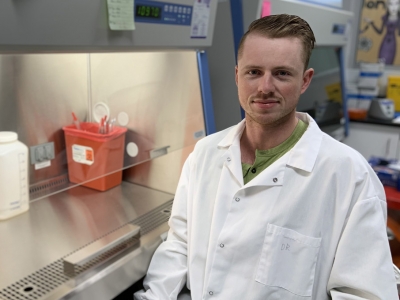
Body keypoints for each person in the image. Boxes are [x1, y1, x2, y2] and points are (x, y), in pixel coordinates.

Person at [134, 14, 398, 299]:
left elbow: (364, 294)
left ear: (305, 80)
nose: (264, 87)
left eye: (282, 73)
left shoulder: (348, 176)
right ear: (237, 75)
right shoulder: (205, 154)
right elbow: (178, 245)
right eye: (254, 72)